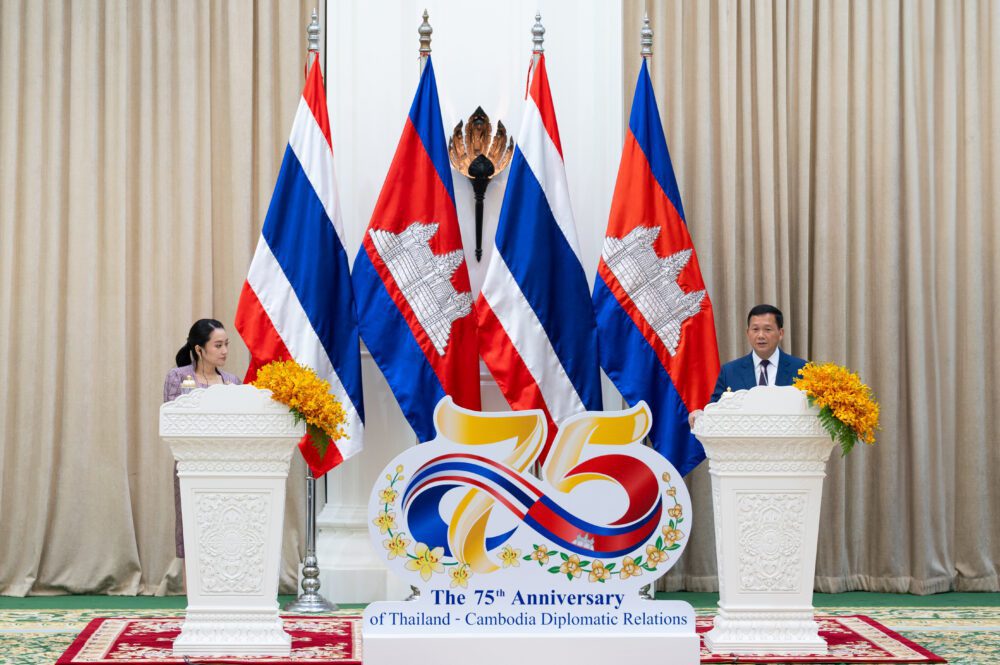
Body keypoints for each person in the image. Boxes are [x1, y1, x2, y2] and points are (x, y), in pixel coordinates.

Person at [163, 319, 241, 558]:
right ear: (199, 349)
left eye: (226, 344)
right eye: (218, 345)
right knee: (192, 534)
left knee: (224, 533)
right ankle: (193, 594)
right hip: (190, 466)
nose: (225, 351)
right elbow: (172, 422)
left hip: (227, 467)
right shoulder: (177, 377)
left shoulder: (233, 382)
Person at [689, 304, 807, 426]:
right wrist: (701, 415)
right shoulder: (730, 372)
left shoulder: (801, 369)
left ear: (781, 333)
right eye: (755, 329)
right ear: (748, 333)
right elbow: (715, 409)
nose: (760, 335)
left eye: (767, 329)